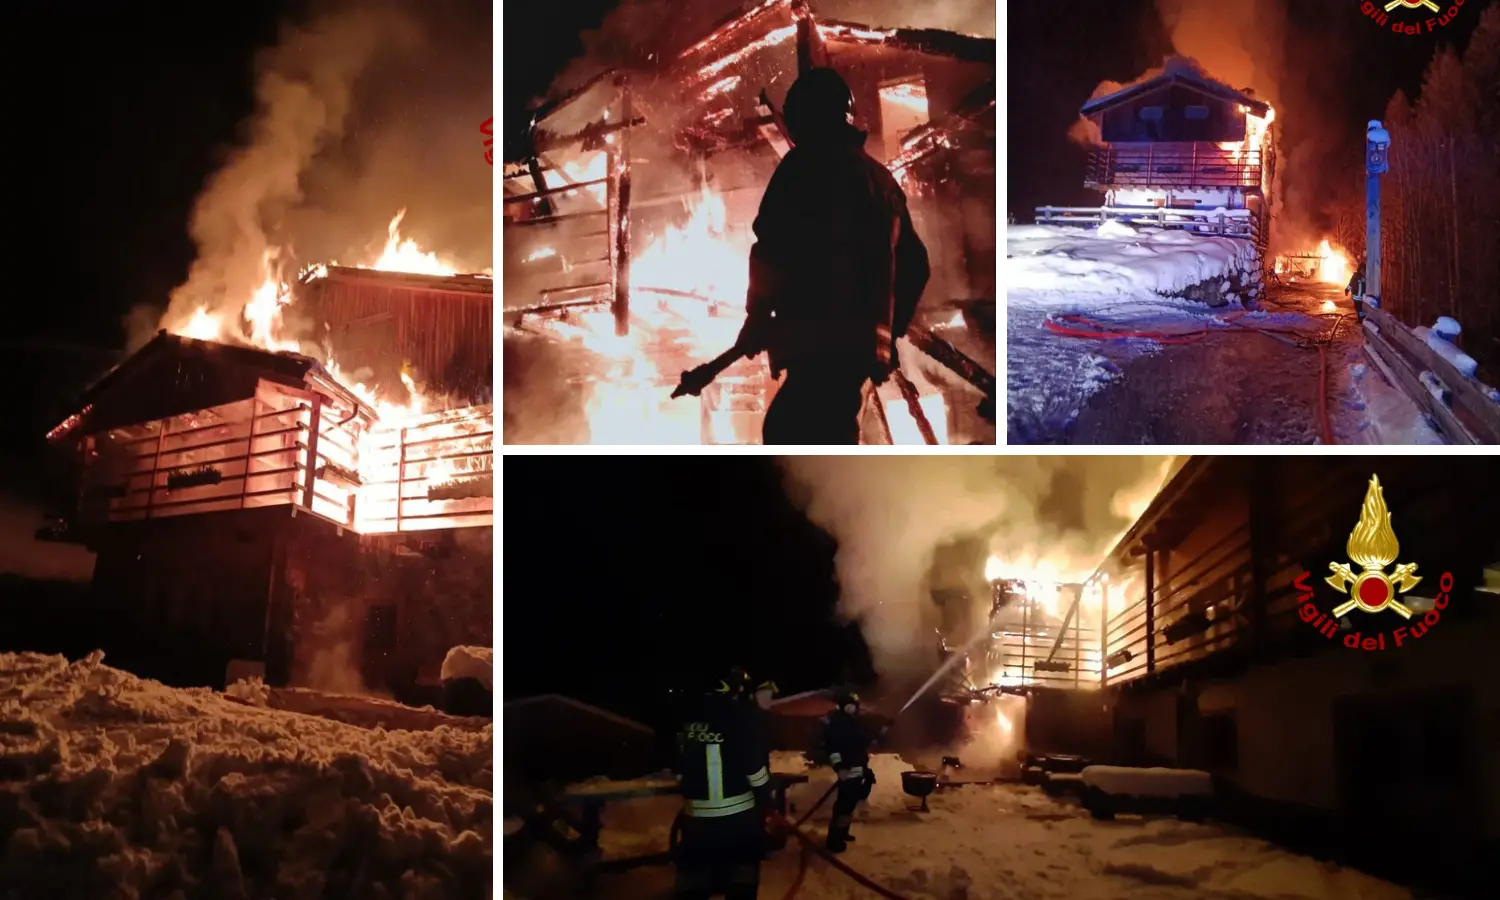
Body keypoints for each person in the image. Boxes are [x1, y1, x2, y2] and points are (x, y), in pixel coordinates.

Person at [734, 67, 931, 444]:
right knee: (832, 437)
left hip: (815, 343)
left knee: (791, 438)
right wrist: (887, 336)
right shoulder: (881, 180)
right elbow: (916, 266)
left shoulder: (802, 167)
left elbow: (770, 251)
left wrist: (756, 319)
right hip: (857, 352)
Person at [672, 674, 774, 899]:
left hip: (696, 822)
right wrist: (766, 800)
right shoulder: (739, 716)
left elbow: (678, 762)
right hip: (737, 822)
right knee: (741, 881)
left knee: (694, 882)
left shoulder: (688, 715)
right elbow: (754, 769)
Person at [820, 689, 876, 853]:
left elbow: (860, 742)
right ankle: (834, 841)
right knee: (843, 807)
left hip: (856, 770)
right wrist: (840, 768)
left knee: (849, 806)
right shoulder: (838, 723)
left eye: (855, 705)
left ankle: (842, 833)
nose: (854, 708)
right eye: (851, 705)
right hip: (848, 770)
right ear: (844, 706)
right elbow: (833, 749)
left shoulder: (851, 721)